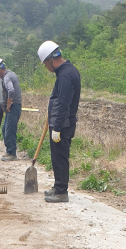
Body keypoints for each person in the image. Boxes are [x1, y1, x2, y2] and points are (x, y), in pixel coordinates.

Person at [37, 41, 81, 203]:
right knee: (57, 156)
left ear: (50, 60)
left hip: (62, 125)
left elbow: (63, 103)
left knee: (60, 157)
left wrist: (56, 127)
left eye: (45, 64)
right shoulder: (68, 70)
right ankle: (58, 186)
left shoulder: (65, 76)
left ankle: (62, 192)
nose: (46, 68)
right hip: (61, 123)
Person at [0, 57, 21, 161]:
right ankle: (9, 151)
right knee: (5, 129)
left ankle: (12, 153)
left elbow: (11, 90)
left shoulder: (7, 77)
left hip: (13, 107)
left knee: (10, 131)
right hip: (15, 107)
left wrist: (8, 104)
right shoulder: (11, 74)